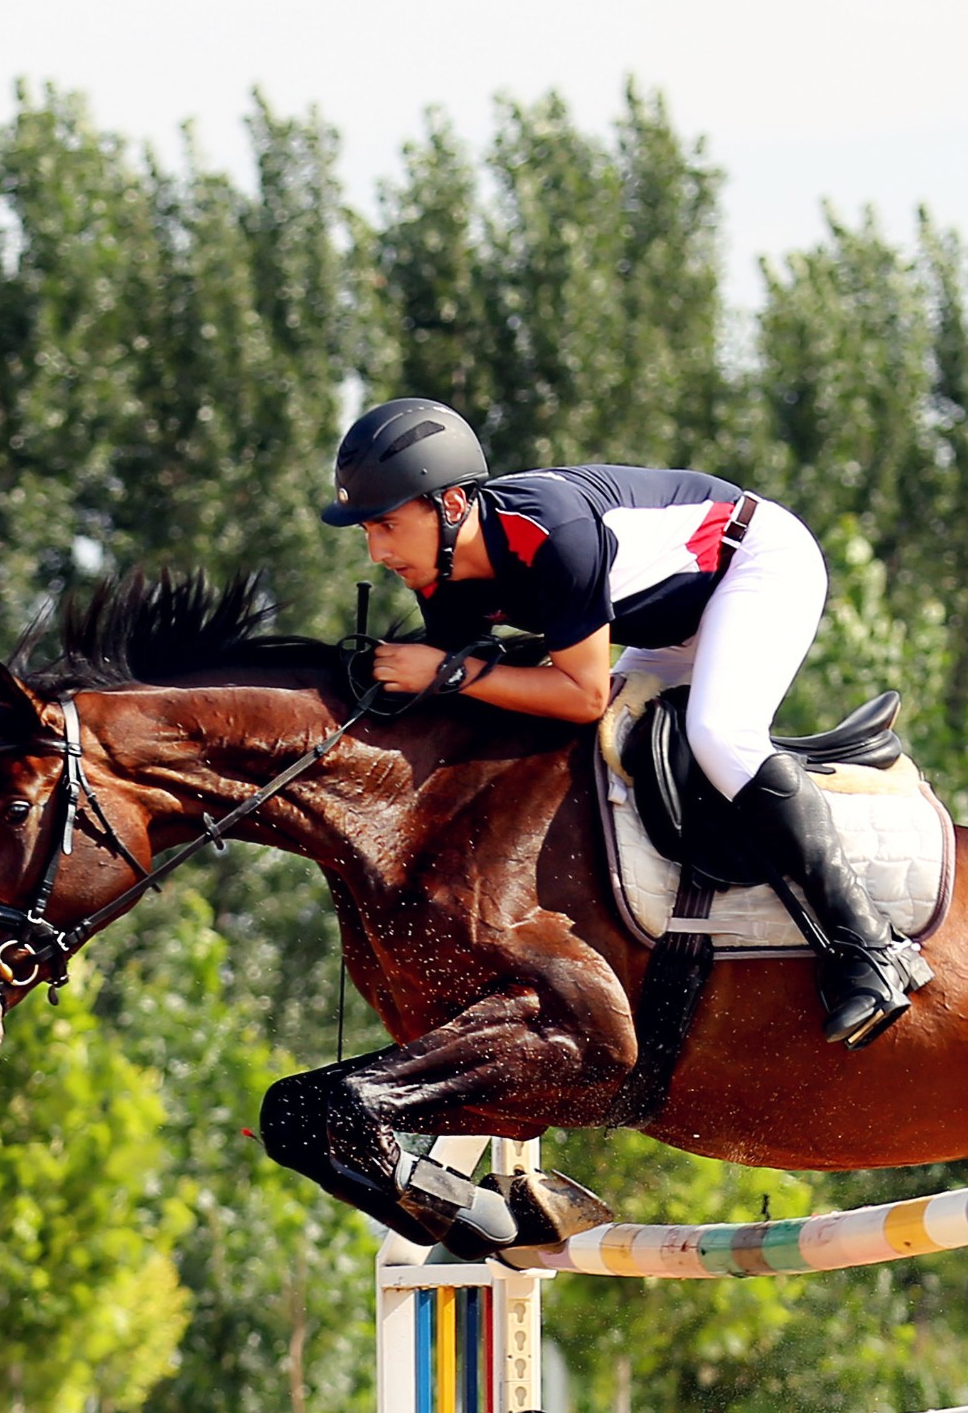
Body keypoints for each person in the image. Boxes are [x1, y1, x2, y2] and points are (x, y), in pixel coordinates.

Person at [320, 396, 929, 1048]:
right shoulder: (441, 573)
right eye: (365, 530)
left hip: (755, 563)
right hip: (667, 618)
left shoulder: (553, 533)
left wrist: (446, 672)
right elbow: (485, 701)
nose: (376, 551)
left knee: (721, 736)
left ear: (449, 505)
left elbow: (579, 693)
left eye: (383, 525)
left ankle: (869, 944)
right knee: (598, 754)